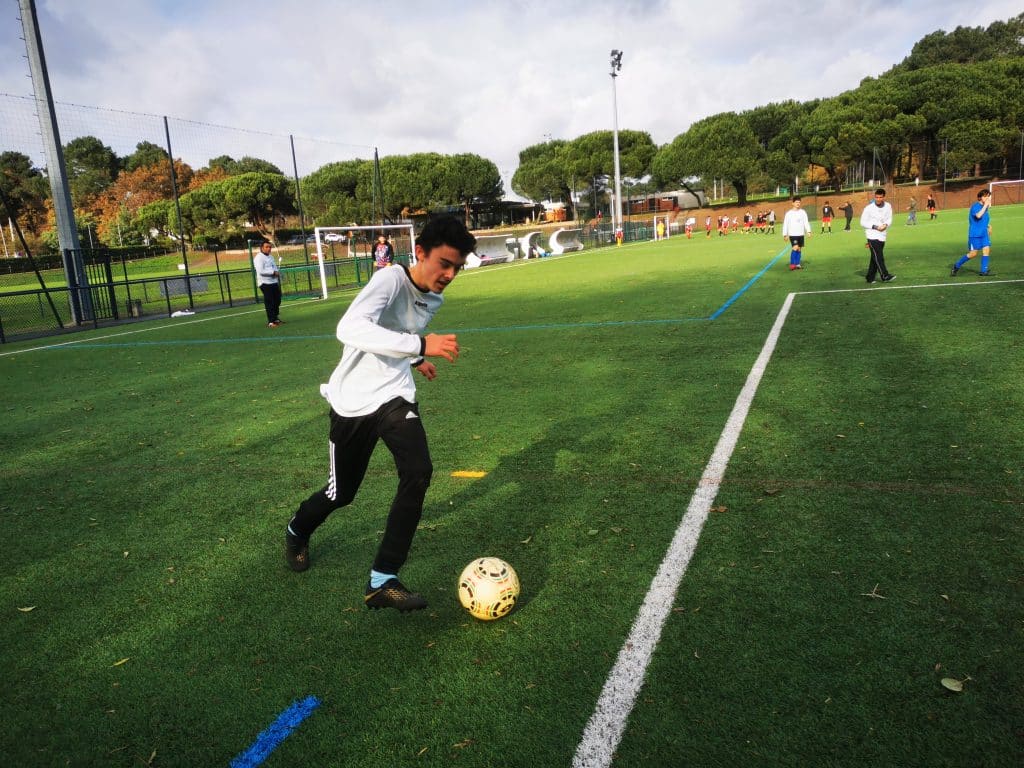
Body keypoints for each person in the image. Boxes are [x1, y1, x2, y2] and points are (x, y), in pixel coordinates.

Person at [283, 216, 476, 612]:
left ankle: (382, 577)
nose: (450, 274)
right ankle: (297, 530)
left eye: (457, 267)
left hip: (394, 395)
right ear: (419, 253)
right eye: (444, 263)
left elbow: (398, 337)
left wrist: (417, 355)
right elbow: (350, 328)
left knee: (418, 470)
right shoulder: (389, 280)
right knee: (342, 493)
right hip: (352, 400)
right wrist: (420, 343)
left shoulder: (434, 298)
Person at [950, 188, 993, 276]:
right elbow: (978, 216)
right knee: (973, 254)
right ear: (980, 198)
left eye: (989, 196)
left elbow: (984, 219)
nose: (988, 198)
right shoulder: (975, 206)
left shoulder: (985, 207)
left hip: (984, 234)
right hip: (975, 234)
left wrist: (988, 226)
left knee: (986, 250)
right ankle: (956, 266)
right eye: (986, 197)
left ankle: (983, 271)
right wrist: (986, 206)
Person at [861, 188, 895, 283]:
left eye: (880, 197)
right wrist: (875, 227)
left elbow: (889, 218)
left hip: (882, 235)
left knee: (875, 257)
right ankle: (885, 275)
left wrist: (886, 225)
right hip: (871, 235)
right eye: (876, 197)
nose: (878, 199)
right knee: (879, 256)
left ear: (884, 197)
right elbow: (862, 222)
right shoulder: (868, 208)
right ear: (874, 197)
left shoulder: (888, 206)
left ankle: (870, 277)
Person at [254, 239, 283, 327]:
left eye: (270, 247)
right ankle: (271, 322)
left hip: (273, 282)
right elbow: (260, 271)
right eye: (267, 247)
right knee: (270, 301)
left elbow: (274, 267)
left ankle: (276, 318)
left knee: (277, 300)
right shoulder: (258, 258)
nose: (269, 249)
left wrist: (277, 272)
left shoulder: (271, 257)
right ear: (262, 248)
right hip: (264, 283)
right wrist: (273, 273)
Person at [781, 196, 811, 270]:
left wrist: (808, 231)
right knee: (795, 247)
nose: (798, 203)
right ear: (793, 203)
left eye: (799, 202)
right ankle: (792, 264)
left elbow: (806, 222)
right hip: (793, 234)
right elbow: (785, 224)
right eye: (796, 202)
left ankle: (797, 264)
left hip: (801, 234)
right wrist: (785, 234)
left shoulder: (803, 212)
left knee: (799, 249)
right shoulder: (789, 213)